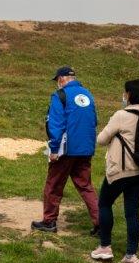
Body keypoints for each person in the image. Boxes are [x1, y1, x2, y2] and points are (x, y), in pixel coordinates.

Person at [92, 80, 139, 263]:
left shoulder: (121, 115)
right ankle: (130, 255)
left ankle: (105, 247)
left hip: (121, 169)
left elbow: (101, 139)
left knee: (104, 203)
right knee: (132, 211)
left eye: (125, 93)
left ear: (129, 95)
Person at [32, 66, 100, 234]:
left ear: (61, 79)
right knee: (86, 186)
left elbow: (56, 124)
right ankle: (101, 223)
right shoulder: (87, 94)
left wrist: (54, 149)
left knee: (53, 185)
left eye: (57, 80)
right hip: (85, 149)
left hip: (66, 150)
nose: (57, 84)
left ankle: (49, 222)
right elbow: (94, 121)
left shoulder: (60, 95)